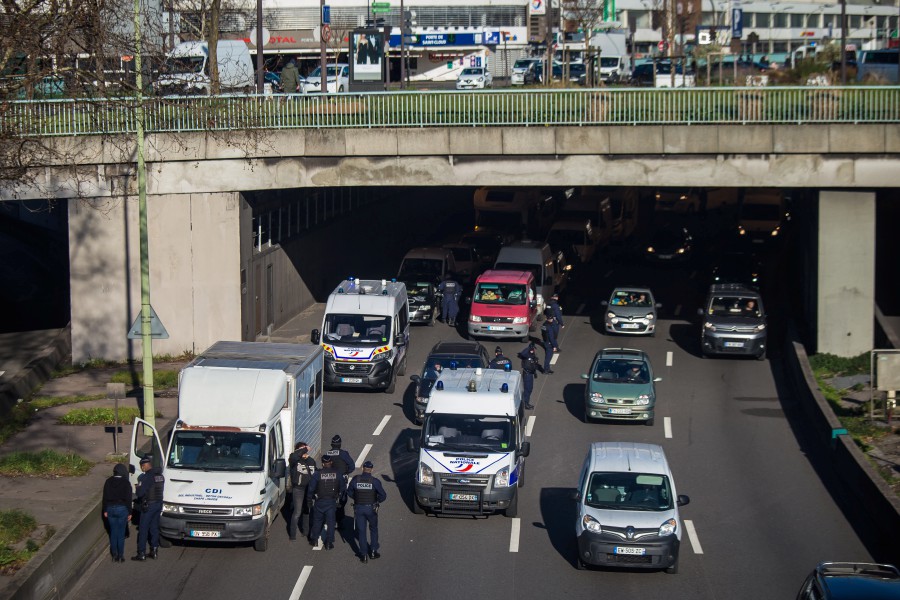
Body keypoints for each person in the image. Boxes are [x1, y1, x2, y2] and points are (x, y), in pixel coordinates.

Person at [347, 460, 387, 563]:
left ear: (362, 468)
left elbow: (349, 492)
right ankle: (373, 551)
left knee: (361, 531)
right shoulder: (375, 481)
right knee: (373, 529)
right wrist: (377, 501)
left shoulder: (356, 479)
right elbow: (383, 495)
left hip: (359, 508)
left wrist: (356, 499)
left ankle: (363, 555)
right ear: (372, 470)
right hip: (371, 509)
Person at [307, 454, 346, 550]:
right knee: (331, 523)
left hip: (319, 501)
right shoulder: (337, 473)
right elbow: (342, 488)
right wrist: (341, 500)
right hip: (332, 502)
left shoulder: (317, 474)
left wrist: (309, 500)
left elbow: (311, 489)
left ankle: (314, 540)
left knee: (317, 521)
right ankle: (329, 543)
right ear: (331, 462)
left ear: (323, 463)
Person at [132, 456, 165, 561]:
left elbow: (140, 493)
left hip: (149, 505)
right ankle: (154, 550)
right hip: (158, 504)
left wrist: (138, 487)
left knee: (143, 529)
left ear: (143, 466)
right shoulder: (160, 476)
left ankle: (141, 553)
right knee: (154, 527)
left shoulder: (146, 477)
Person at [102, 463, 132, 563]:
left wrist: (105, 510)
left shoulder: (108, 481)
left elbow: (105, 497)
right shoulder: (126, 483)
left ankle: (114, 554)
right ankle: (121, 555)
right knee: (121, 533)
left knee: (113, 532)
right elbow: (128, 498)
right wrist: (130, 512)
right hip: (122, 509)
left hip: (110, 509)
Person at [288, 442, 317, 541]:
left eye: (304, 449)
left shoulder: (311, 461)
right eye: (301, 450)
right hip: (298, 489)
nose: (303, 452)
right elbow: (294, 455)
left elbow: (315, 474)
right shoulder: (294, 460)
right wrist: (304, 449)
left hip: (309, 490)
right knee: (297, 512)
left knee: (307, 510)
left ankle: (306, 531)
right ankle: (292, 535)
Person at [323, 435, 355, 525]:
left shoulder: (327, 454)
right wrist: (345, 473)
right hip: (341, 481)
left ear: (331, 444)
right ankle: (339, 521)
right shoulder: (343, 454)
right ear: (340, 444)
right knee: (342, 500)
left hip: (329, 480)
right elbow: (352, 466)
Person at [517, 343, 543, 410]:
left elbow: (534, 365)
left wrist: (535, 373)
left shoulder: (532, 356)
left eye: (533, 349)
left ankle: (526, 402)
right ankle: (526, 404)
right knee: (527, 389)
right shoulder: (526, 354)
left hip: (531, 374)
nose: (533, 350)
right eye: (532, 349)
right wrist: (529, 348)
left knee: (530, 389)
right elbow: (522, 354)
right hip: (527, 374)